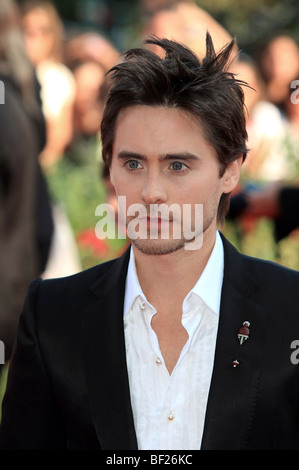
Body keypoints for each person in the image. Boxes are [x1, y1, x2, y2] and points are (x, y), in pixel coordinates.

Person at [1, 33, 299, 451]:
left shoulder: (291, 311)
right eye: (133, 163)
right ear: (111, 169)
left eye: (177, 165)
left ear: (230, 170)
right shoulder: (52, 316)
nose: (151, 191)